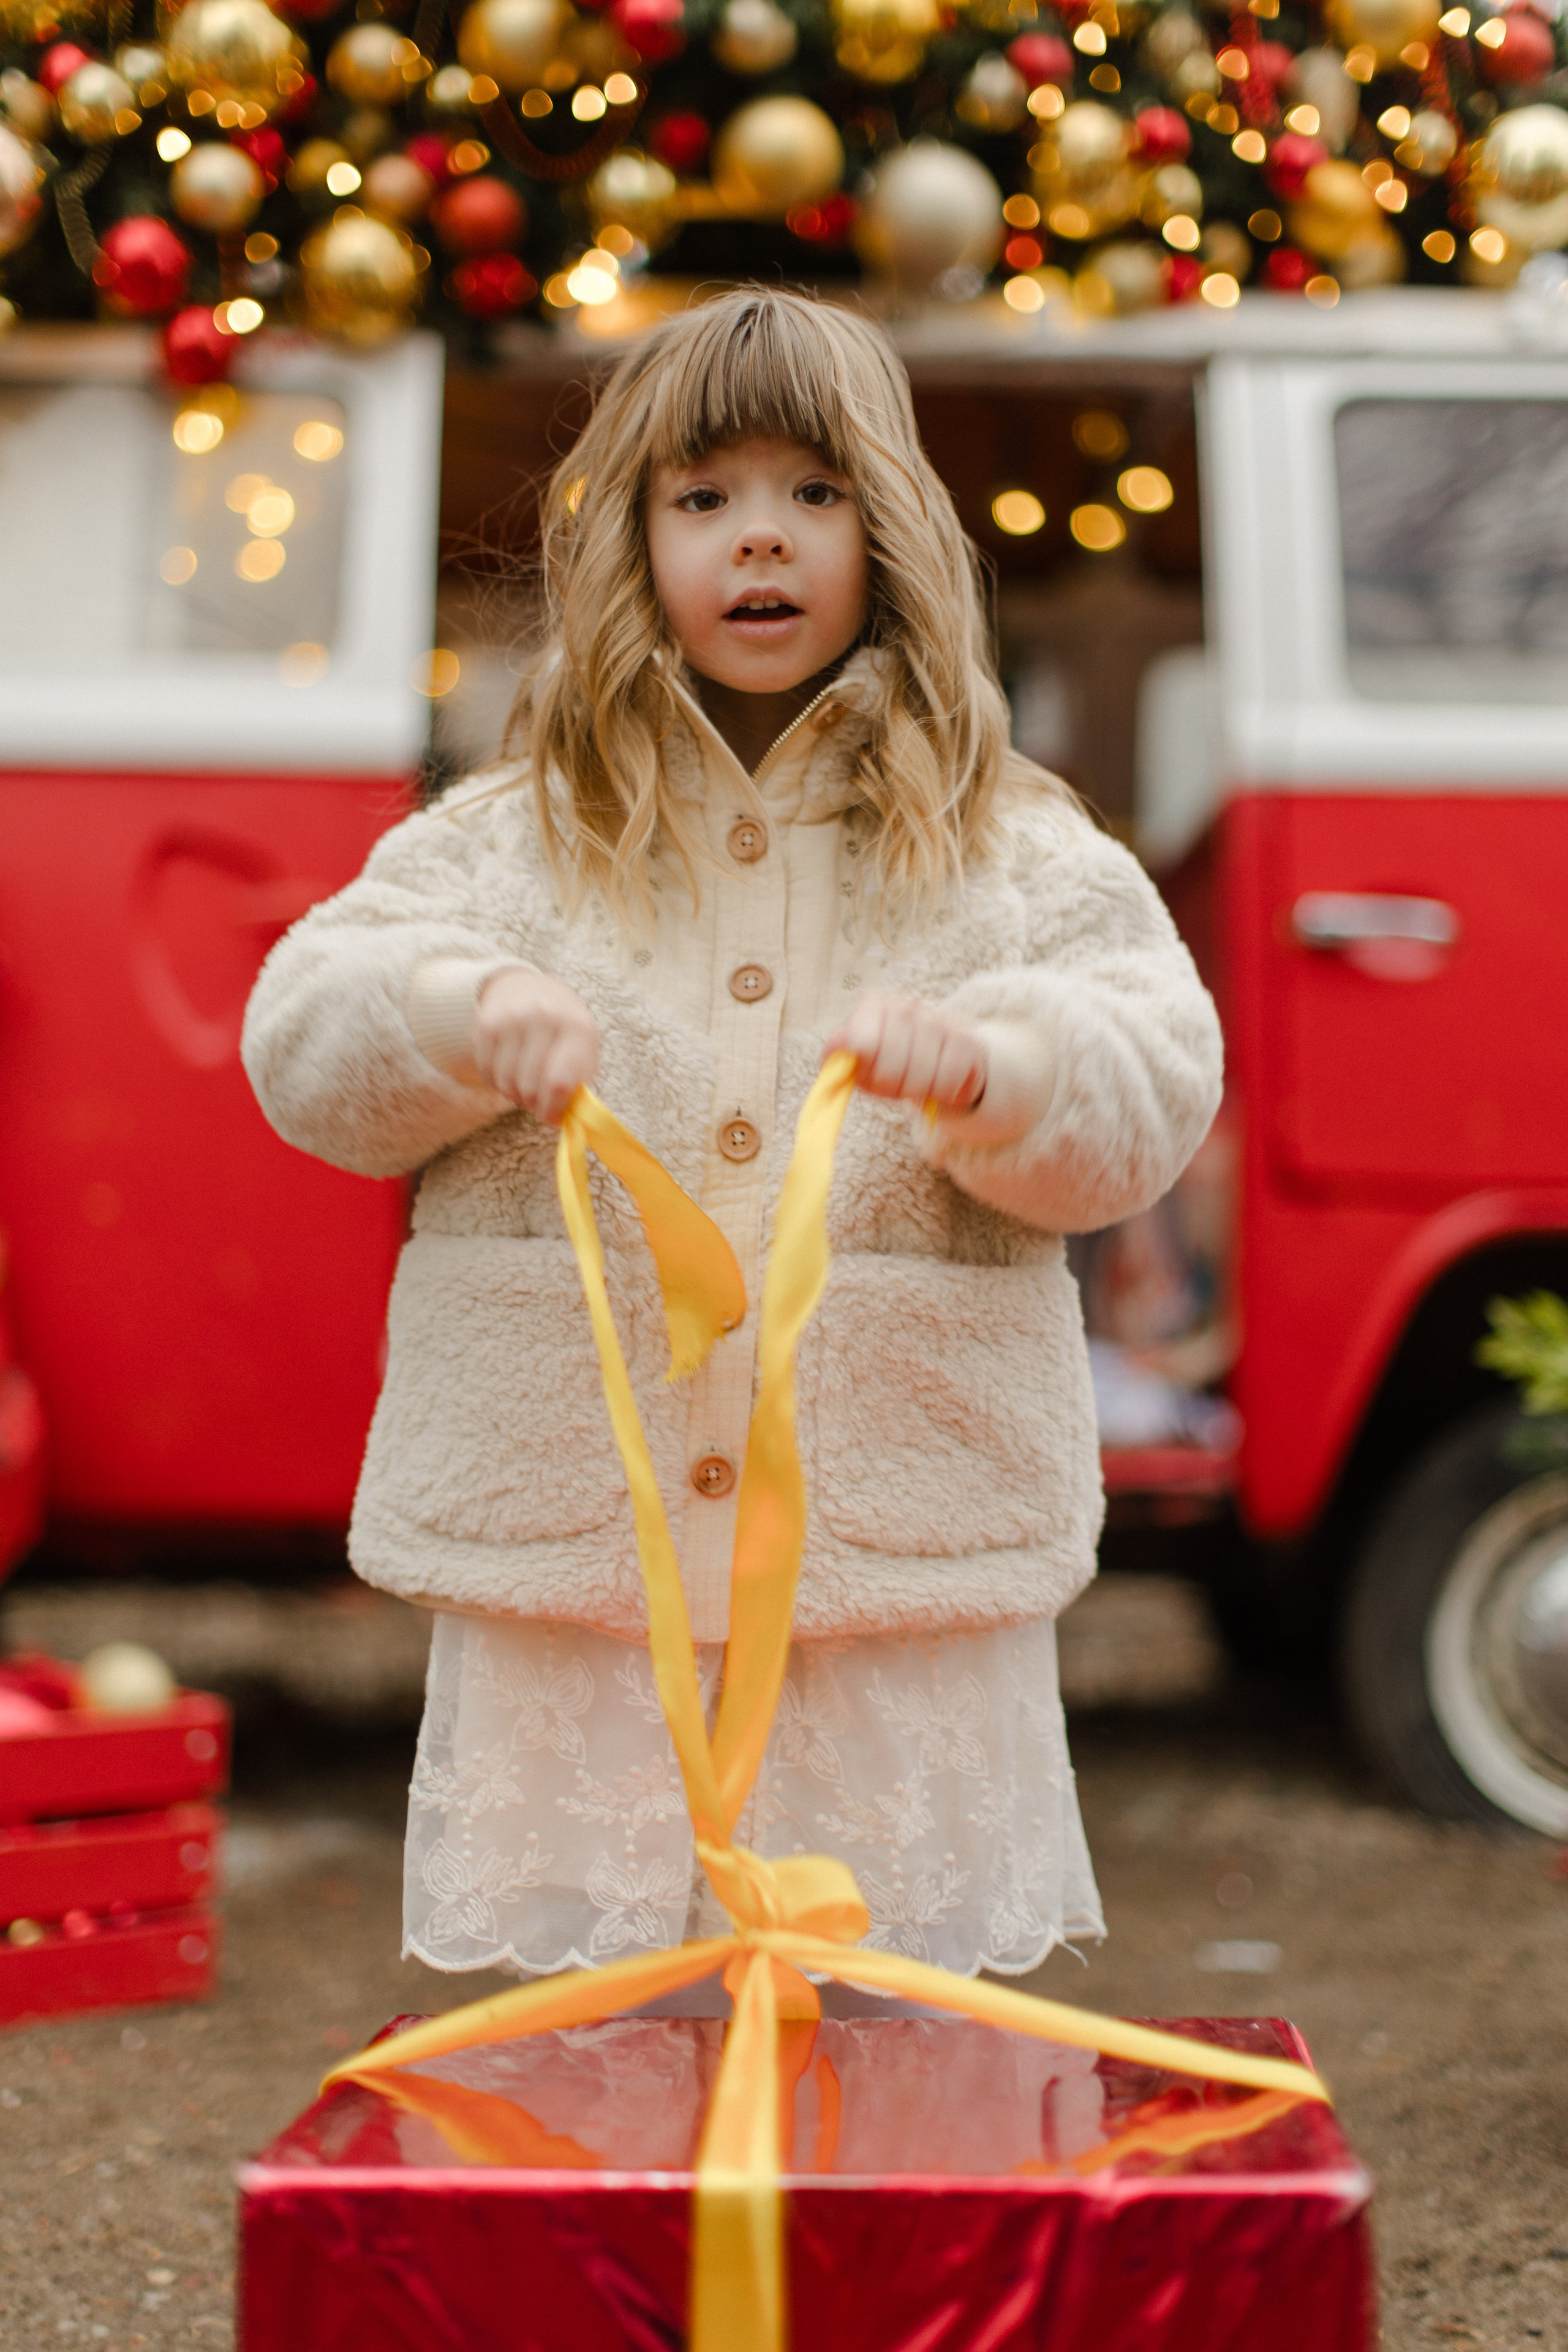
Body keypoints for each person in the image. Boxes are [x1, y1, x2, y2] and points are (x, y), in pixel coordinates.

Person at [241, 287, 1222, 2010]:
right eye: (704, 500)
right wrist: (459, 1011)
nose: (758, 539)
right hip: (585, 1588)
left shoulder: (1011, 848)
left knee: (882, 2034)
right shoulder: (517, 833)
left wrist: (1001, 1068)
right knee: (603, 2041)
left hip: (883, 1584)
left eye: (812, 494)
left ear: (889, 530)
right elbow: (305, 1035)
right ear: (635, 539)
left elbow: (1150, 1080)